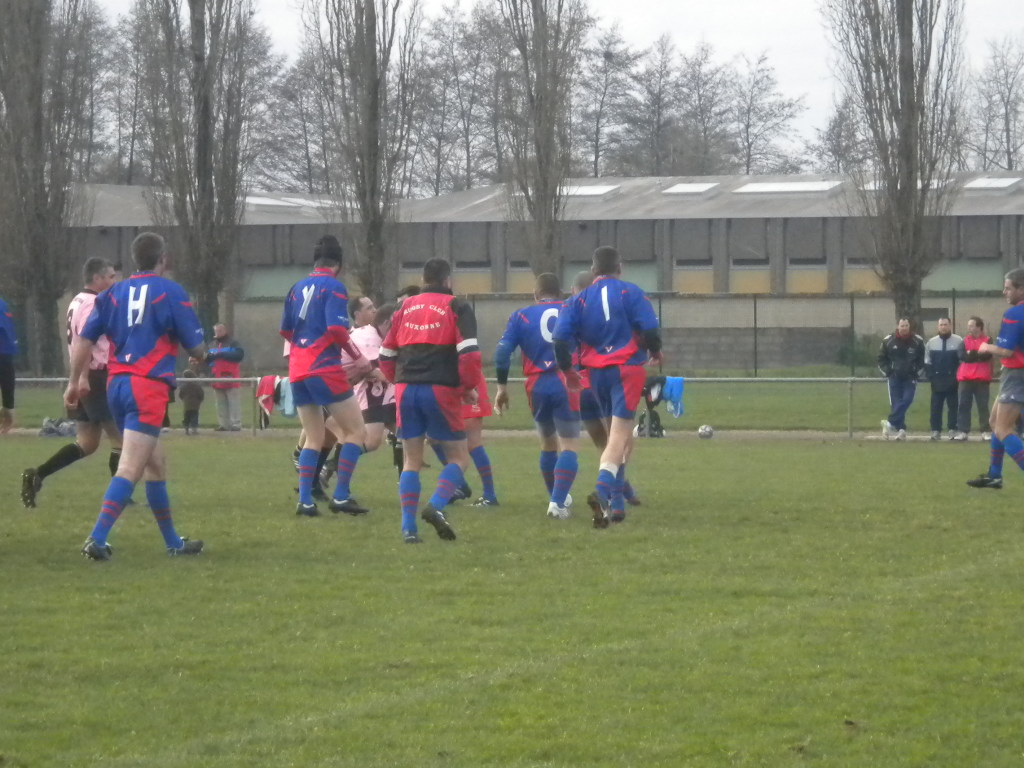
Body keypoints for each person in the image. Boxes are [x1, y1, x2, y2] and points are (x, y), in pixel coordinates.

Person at [64, 232, 206, 560]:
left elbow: (84, 339)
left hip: (117, 385)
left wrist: (74, 381)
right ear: (163, 258)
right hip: (147, 386)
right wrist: (204, 354)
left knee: (156, 464)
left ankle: (173, 544)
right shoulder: (171, 291)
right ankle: (96, 539)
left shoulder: (112, 293)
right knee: (130, 467)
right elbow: (196, 347)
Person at [552, 246, 662, 529]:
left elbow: (560, 340)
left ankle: (618, 505)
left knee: (613, 436)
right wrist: (655, 351)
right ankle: (602, 491)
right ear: (620, 268)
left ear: (593, 270)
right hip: (627, 369)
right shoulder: (632, 292)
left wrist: (567, 371)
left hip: (596, 374)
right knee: (619, 436)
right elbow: (650, 329)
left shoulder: (577, 300)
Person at [379, 257, 483, 543]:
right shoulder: (457, 306)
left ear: (423, 279)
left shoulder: (404, 307)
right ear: (448, 280)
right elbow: (470, 355)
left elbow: (385, 355)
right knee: (459, 457)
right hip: (441, 388)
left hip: (406, 388)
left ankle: (408, 529)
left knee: (411, 460)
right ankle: (436, 506)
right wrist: (467, 386)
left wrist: (397, 380)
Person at [280, 234, 370, 517]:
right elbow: (336, 329)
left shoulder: (295, 288)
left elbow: (286, 330)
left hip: (298, 369)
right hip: (324, 366)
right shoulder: (334, 287)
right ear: (338, 265)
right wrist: (358, 358)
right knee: (356, 431)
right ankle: (341, 495)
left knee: (314, 437)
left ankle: (305, 501)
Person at [22, 258, 123, 507]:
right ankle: (120, 498)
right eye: (110, 277)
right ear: (97, 278)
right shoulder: (94, 303)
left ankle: (38, 474)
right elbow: (85, 342)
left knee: (87, 443)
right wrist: (82, 378)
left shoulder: (77, 300)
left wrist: (76, 379)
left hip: (86, 376)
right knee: (121, 438)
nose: (114, 281)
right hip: (96, 375)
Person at [494, 272, 579, 519]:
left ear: (535, 294)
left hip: (536, 385)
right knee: (569, 445)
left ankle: (556, 497)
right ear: (560, 293)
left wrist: (501, 387)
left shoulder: (520, 316)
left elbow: (502, 354)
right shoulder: (571, 309)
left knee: (547, 444)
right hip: (566, 381)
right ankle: (557, 502)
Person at [571, 270, 642, 509]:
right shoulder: (603, 311)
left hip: (580, 388)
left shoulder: (570, 310)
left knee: (605, 444)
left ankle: (623, 492)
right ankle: (615, 495)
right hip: (603, 379)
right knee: (620, 440)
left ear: (573, 290)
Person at [967, 268, 1024, 489]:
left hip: (1016, 375)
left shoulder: (1015, 314)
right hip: (1016, 374)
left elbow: (1006, 351)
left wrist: (986, 346)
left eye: (1008, 288)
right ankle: (994, 475)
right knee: (994, 422)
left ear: (1021, 289)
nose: (1004, 292)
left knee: (1004, 428)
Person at [877, 318, 925, 441]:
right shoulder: (888, 340)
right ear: (898, 326)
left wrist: (916, 372)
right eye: (902, 326)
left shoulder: (918, 341)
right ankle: (901, 430)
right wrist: (888, 372)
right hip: (894, 378)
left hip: (910, 378)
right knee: (896, 403)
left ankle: (889, 423)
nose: (904, 328)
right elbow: (881, 359)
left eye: (906, 325)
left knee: (907, 400)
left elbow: (922, 360)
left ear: (909, 326)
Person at [955, 316, 994, 441]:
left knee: (983, 405)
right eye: (969, 325)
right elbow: (962, 356)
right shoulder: (964, 341)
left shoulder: (987, 340)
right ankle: (963, 431)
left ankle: (985, 431)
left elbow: (987, 356)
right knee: (963, 405)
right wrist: (977, 354)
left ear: (979, 327)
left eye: (971, 325)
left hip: (981, 378)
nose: (969, 328)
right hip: (965, 378)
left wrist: (972, 353)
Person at [924, 317, 963, 441]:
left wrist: (957, 377)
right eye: (941, 325)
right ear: (938, 326)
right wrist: (931, 377)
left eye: (945, 324)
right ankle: (935, 430)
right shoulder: (931, 342)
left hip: (953, 380)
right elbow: (927, 361)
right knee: (936, 407)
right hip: (937, 380)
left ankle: (952, 429)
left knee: (953, 406)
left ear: (950, 325)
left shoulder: (959, 341)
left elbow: (962, 361)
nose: (943, 327)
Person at [207, 323, 244, 431]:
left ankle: (236, 424)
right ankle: (223, 424)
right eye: (216, 331)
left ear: (224, 331)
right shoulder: (211, 345)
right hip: (216, 378)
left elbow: (239, 355)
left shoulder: (233, 343)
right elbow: (208, 360)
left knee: (233, 402)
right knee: (220, 403)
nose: (217, 333)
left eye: (220, 331)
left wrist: (221, 355)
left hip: (231, 377)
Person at [0, 294, 16, 433]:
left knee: (7, 385)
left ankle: (7, 415)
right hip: (5, 352)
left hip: (4, 352)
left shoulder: (2, 304)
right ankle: (7, 414)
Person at [178, 367, 205, 435]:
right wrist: (200, 400)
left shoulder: (183, 386)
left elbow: (180, 395)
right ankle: (194, 430)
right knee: (194, 417)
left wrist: (184, 399)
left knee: (186, 417)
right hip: (195, 405)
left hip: (186, 404)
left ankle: (186, 429)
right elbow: (201, 394)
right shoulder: (197, 386)